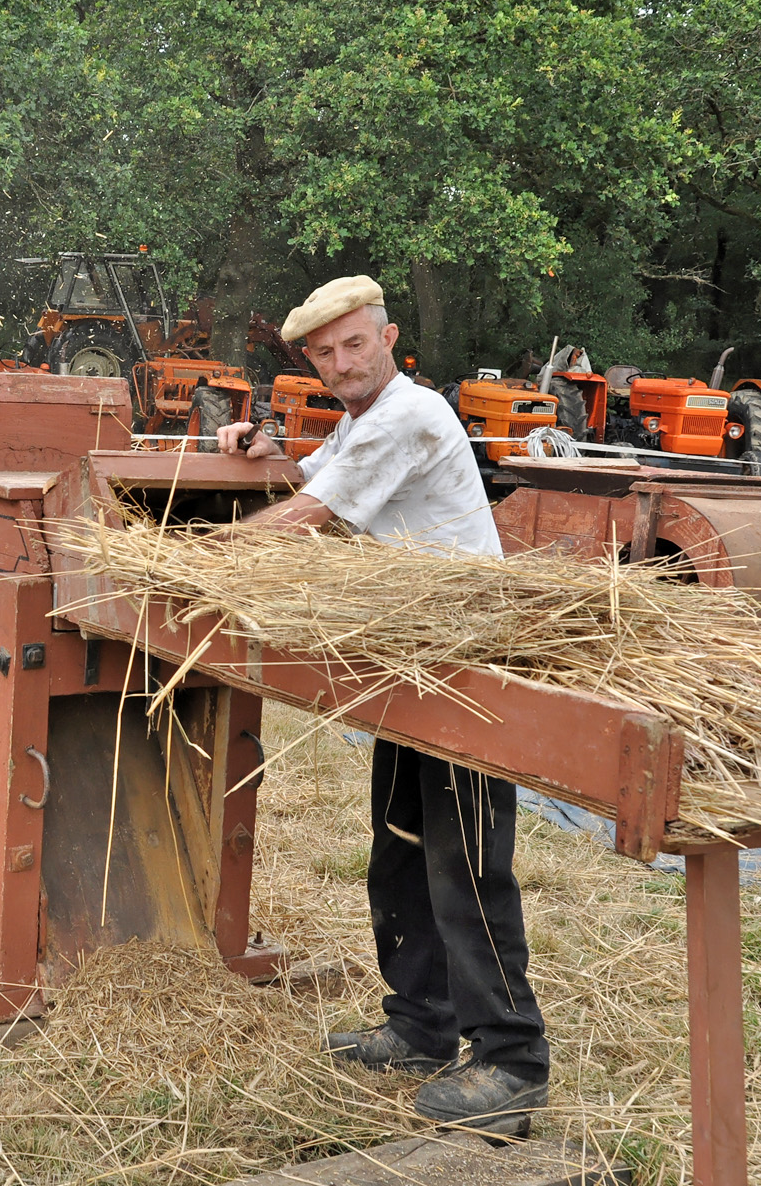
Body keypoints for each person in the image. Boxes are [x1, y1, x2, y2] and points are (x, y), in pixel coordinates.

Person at [215, 277, 548, 1137]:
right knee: (401, 850)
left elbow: (308, 516)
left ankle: (513, 1061)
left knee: (467, 867)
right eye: (324, 354)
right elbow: (307, 478)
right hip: (413, 662)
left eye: (354, 344)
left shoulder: (411, 413)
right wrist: (260, 450)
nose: (341, 364)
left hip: (468, 666)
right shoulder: (362, 422)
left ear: (389, 338)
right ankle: (421, 1026)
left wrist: (197, 552)